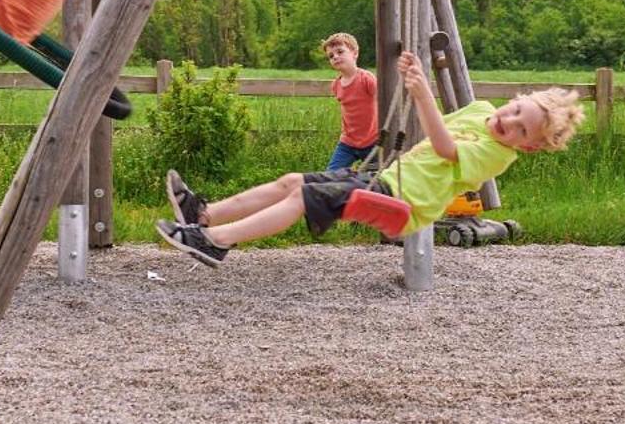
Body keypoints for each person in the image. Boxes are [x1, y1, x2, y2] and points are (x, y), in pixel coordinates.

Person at [156, 51, 581, 268]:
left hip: (402, 204)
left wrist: (422, 94)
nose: (509, 123)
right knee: (291, 180)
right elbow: (437, 133)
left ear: (527, 146)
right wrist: (415, 81)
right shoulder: (481, 111)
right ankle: (204, 215)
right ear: (514, 100)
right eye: (515, 112)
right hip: (384, 178)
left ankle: (213, 243)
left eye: (522, 130)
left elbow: (446, 148)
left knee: (303, 197)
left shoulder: (496, 155)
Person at [321, 32, 379, 171]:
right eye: (331, 56)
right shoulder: (336, 85)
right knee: (331, 174)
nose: (335, 56)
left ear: (355, 53)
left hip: (372, 141)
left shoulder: (366, 79)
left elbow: (383, 102)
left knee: (376, 178)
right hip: (348, 142)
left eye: (340, 52)